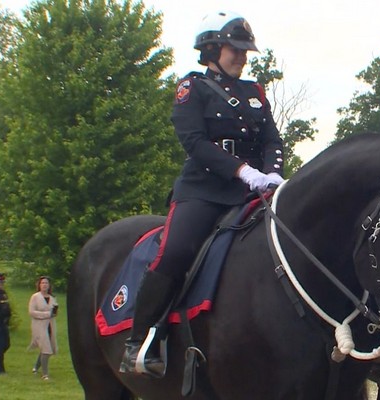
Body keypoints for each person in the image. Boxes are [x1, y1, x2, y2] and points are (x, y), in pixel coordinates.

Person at [119, 10, 284, 377]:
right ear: (212, 49)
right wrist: (242, 171)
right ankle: (140, 340)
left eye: (245, 51)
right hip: (205, 190)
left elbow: (272, 137)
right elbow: (194, 142)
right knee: (176, 251)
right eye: (234, 49)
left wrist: (272, 173)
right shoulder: (191, 88)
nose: (242, 57)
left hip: (255, 192)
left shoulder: (254, 92)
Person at [28, 276, 58, 380]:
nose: (45, 285)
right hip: (39, 325)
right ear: (39, 285)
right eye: (43, 283)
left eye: (46, 283)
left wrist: (54, 313)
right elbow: (31, 312)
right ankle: (45, 374)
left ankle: (36, 367)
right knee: (46, 349)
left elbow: (53, 312)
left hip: (49, 326)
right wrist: (46, 314)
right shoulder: (35, 297)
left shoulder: (52, 298)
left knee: (47, 347)